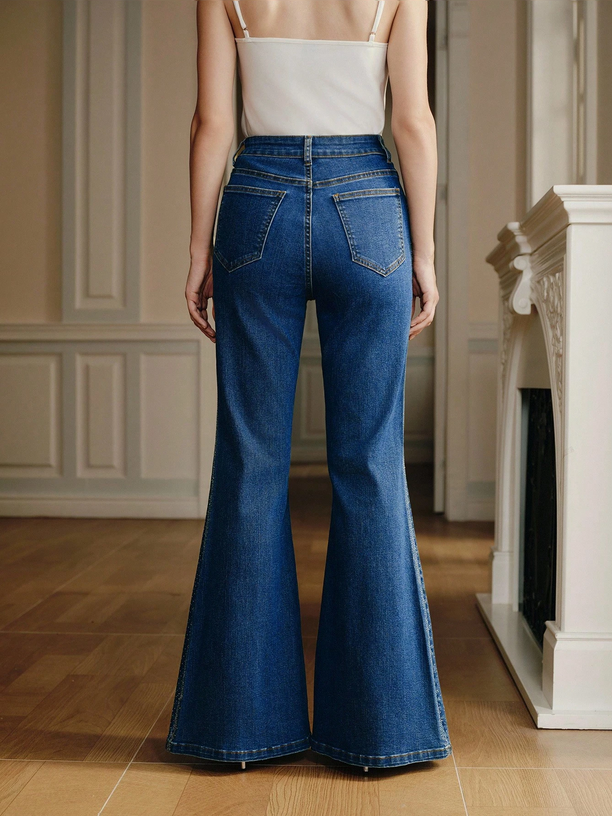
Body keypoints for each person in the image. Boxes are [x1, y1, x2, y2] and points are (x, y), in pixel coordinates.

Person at [165, 0, 451, 771]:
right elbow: (413, 120)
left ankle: (236, 731)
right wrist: (424, 253)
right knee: (370, 463)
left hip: (257, 198)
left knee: (251, 462)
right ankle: (382, 735)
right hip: (369, 203)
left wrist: (199, 250)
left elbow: (211, 123)